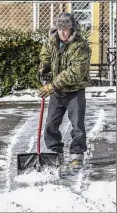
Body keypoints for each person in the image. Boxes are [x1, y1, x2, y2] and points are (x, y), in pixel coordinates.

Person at [37, 12, 91, 172]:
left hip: (74, 91)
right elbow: (44, 56)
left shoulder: (80, 46)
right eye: (60, 28)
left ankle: (76, 155)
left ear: (72, 28)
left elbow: (76, 71)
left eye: (66, 28)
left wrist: (52, 85)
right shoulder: (52, 42)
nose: (62, 32)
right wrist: (43, 69)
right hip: (57, 92)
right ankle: (55, 152)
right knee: (51, 124)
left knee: (77, 125)